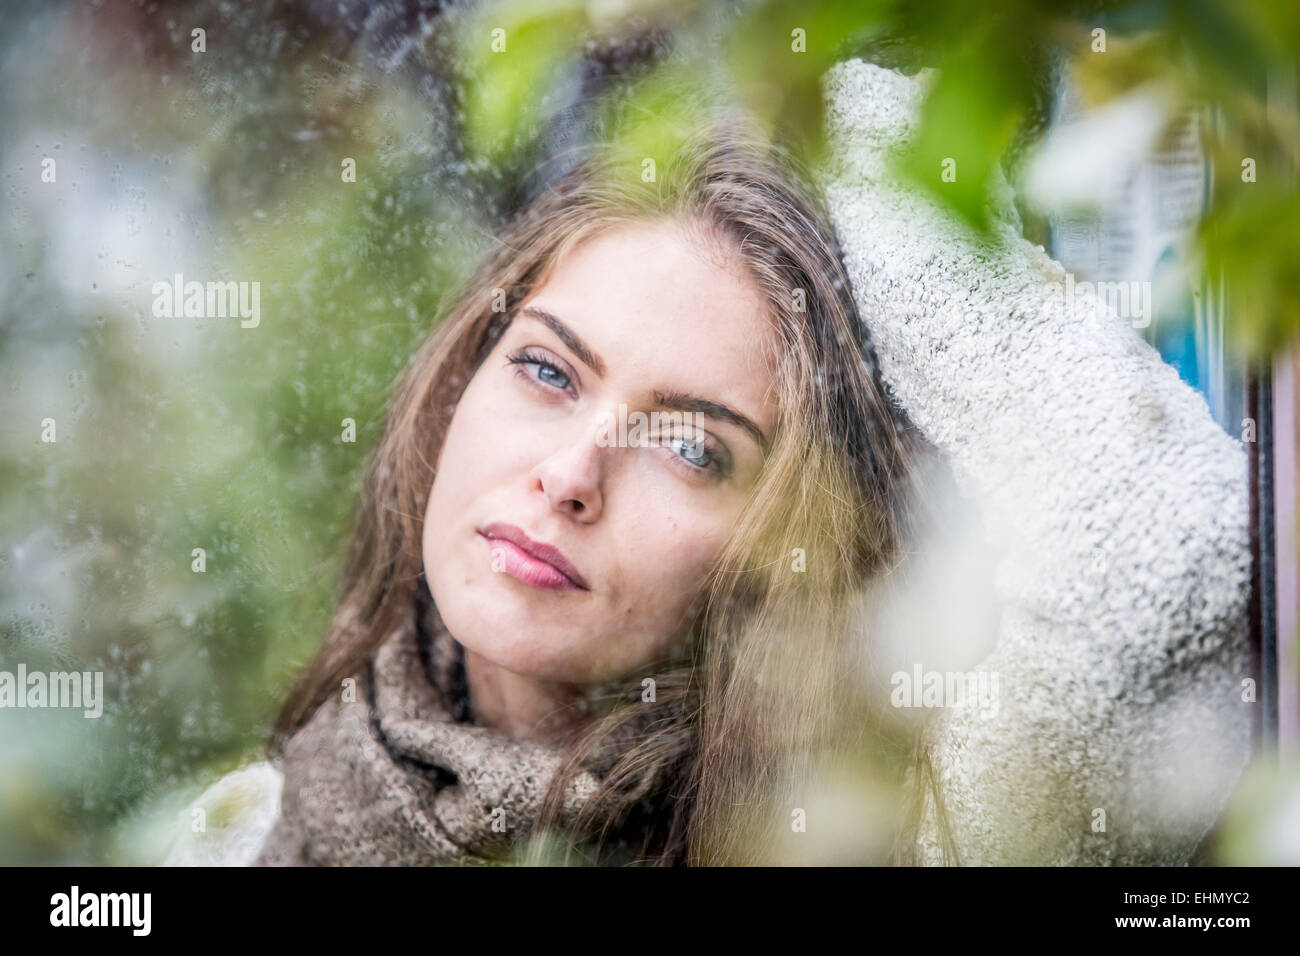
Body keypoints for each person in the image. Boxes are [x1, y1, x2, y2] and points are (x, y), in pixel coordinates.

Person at [162, 59, 1251, 867]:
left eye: (690, 446)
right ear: (461, 382)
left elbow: (1156, 537)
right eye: (547, 372)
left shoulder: (900, 829)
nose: (572, 472)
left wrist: (868, 160)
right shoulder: (249, 829)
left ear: (794, 550)